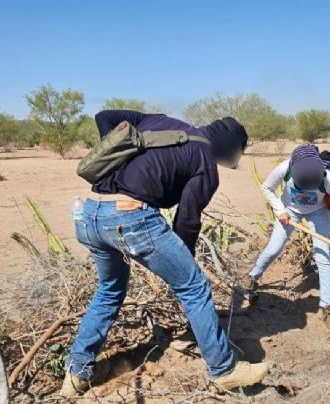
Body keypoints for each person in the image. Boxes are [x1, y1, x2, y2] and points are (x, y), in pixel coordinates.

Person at [60, 110, 269, 397]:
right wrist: (184, 262)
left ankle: (77, 375)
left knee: (109, 290)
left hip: (89, 213)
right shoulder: (205, 160)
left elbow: (104, 116)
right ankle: (224, 370)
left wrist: (116, 158)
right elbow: (187, 221)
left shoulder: (161, 122)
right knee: (194, 287)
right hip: (129, 217)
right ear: (229, 146)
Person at [245, 144, 330, 331]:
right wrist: (280, 210)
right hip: (289, 211)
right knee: (274, 248)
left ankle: (327, 307)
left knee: (323, 258)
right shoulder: (284, 168)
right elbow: (267, 187)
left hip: (318, 212)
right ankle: (253, 278)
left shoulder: (328, 178)